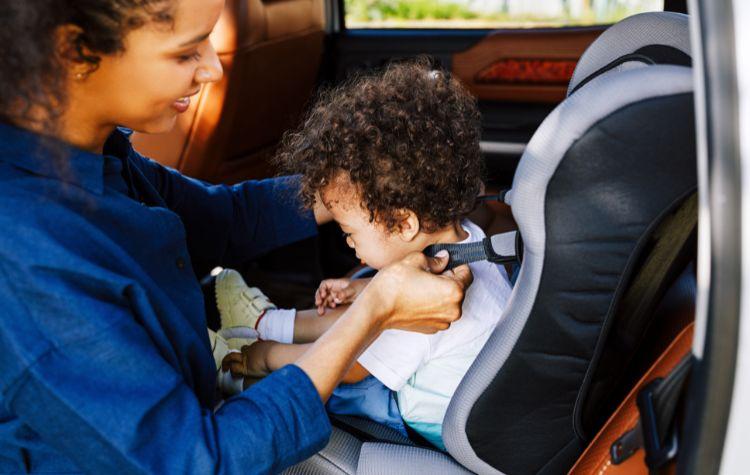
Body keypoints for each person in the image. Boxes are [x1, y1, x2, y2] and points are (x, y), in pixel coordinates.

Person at [0, 1, 472, 473]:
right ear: (75, 52)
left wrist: (363, 189)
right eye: (185, 53)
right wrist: (375, 309)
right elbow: (201, 461)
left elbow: (221, 218)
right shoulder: (25, 253)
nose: (213, 67)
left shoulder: (96, 155)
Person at [218, 61, 513, 449]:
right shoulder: (468, 240)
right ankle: (265, 321)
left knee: (336, 383)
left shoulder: (432, 311)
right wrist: (366, 292)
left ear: (404, 223)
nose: (348, 243)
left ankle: (250, 359)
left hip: (430, 418)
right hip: (472, 393)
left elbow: (349, 368)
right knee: (364, 309)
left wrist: (269, 357)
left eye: (349, 232)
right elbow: (373, 314)